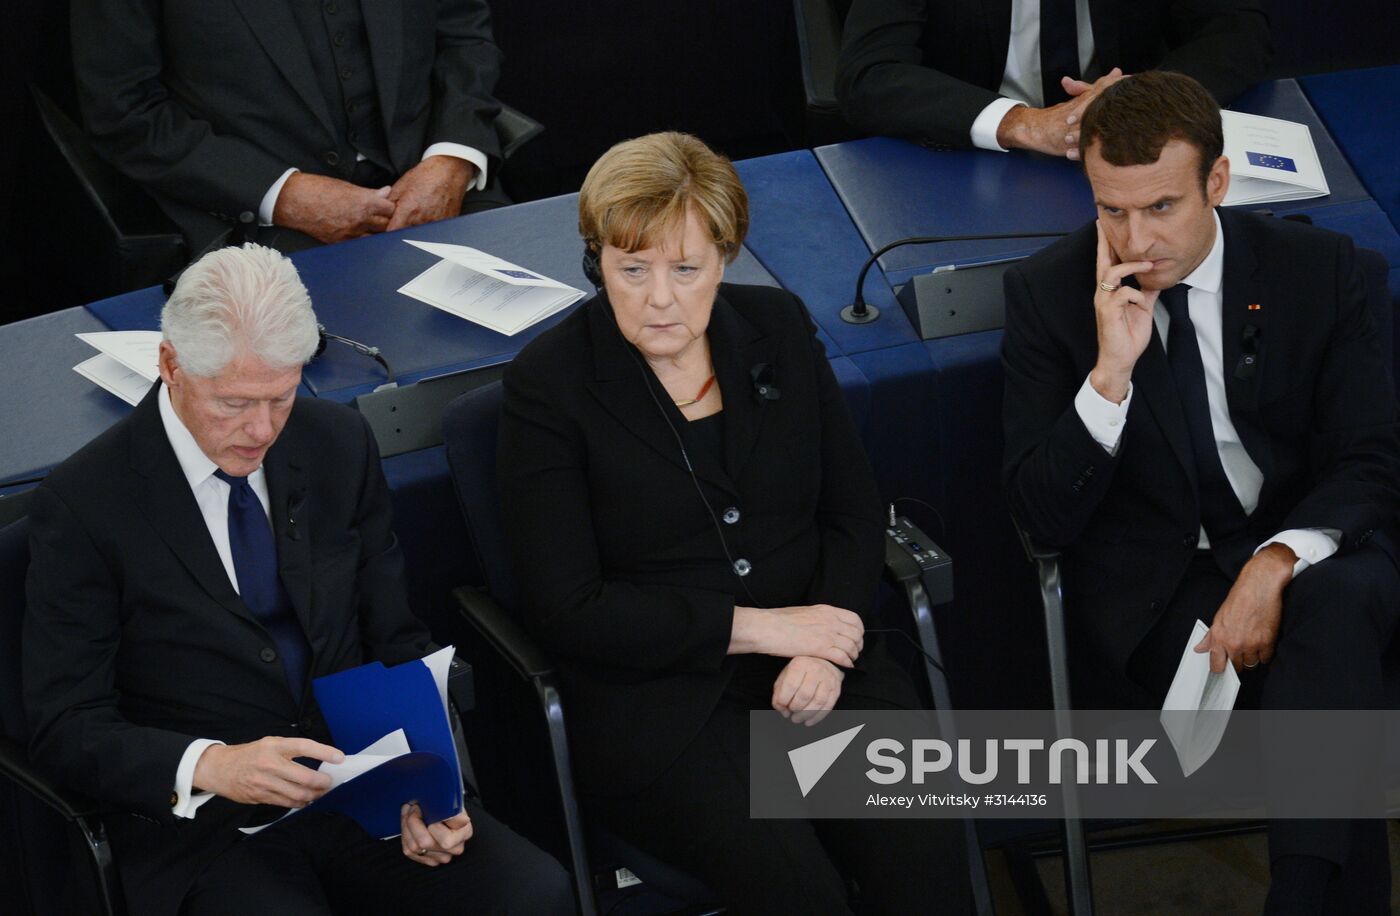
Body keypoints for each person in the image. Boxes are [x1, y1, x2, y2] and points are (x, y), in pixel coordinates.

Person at [496, 131, 970, 915]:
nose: (659, 298)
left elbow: (853, 512)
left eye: (686, 269)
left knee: (919, 840)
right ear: (595, 264)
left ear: (726, 256)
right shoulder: (548, 388)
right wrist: (766, 630)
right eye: (632, 269)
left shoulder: (777, 329)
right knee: (798, 890)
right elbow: (569, 608)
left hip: (825, 659)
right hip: (666, 711)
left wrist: (830, 640)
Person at [23, 244, 573, 916]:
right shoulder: (85, 503)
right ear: (171, 366)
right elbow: (64, 727)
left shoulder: (335, 442)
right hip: (207, 831)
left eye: (280, 398)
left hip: (360, 786)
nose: (260, 430)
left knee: (532, 894)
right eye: (233, 403)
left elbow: (393, 638)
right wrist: (210, 764)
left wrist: (431, 794)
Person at [1001, 71, 1400, 914]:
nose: (1135, 238)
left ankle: (1295, 896)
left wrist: (1275, 563)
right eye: (1112, 209)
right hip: (1163, 590)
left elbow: (1373, 458)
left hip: (1311, 548)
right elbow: (1040, 515)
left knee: (1329, 614)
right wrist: (1110, 374)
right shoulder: (1050, 296)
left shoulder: (1323, 270)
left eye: (1161, 208)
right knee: (1335, 678)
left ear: (1216, 183)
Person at [69, 0, 509, 255]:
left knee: (545, 347)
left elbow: (464, 36)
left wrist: (452, 159)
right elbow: (125, 111)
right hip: (254, 223)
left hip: (436, 187)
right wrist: (284, 195)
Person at [836, 0, 1270, 156]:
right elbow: (870, 74)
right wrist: (1021, 123)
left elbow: (1239, 29)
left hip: (1127, 144)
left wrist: (1148, 96)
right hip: (972, 155)